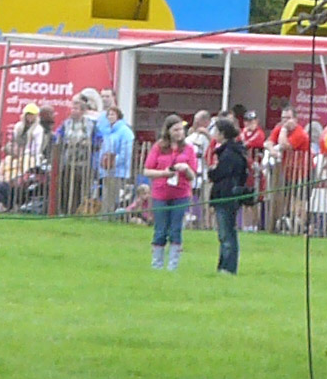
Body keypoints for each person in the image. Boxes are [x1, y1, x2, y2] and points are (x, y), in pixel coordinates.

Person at [142, 116, 201, 270]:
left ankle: (173, 265)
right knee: (160, 229)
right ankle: (157, 264)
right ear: (168, 131)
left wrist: (185, 168)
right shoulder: (158, 147)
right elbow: (147, 170)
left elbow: (193, 175)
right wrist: (163, 173)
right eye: (175, 130)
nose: (179, 133)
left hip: (181, 194)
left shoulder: (188, 149)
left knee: (176, 228)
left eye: (181, 129)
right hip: (160, 193)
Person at [207, 114, 252, 275]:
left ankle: (228, 267)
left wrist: (212, 171)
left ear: (222, 134)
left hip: (226, 195)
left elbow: (220, 174)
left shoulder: (229, 154)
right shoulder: (232, 151)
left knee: (226, 233)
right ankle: (224, 265)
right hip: (228, 194)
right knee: (226, 232)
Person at [96, 104, 136, 221]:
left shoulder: (125, 131)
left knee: (114, 194)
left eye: (112, 114)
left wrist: (114, 162)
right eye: (108, 114)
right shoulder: (109, 131)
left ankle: (112, 216)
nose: (110, 117)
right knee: (106, 194)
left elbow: (125, 152)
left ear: (118, 116)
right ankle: (105, 215)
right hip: (106, 168)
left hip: (118, 170)